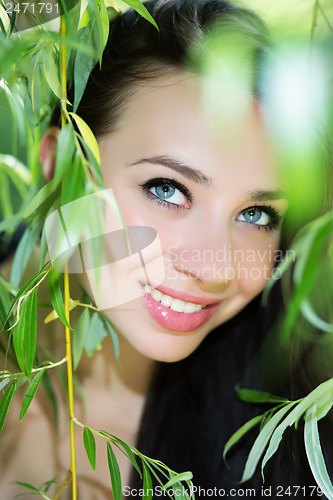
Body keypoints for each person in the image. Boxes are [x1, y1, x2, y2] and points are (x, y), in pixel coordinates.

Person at [0, 0, 331, 498]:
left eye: (255, 215)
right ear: (58, 170)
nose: (215, 265)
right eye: (167, 189)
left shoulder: (288, 420)